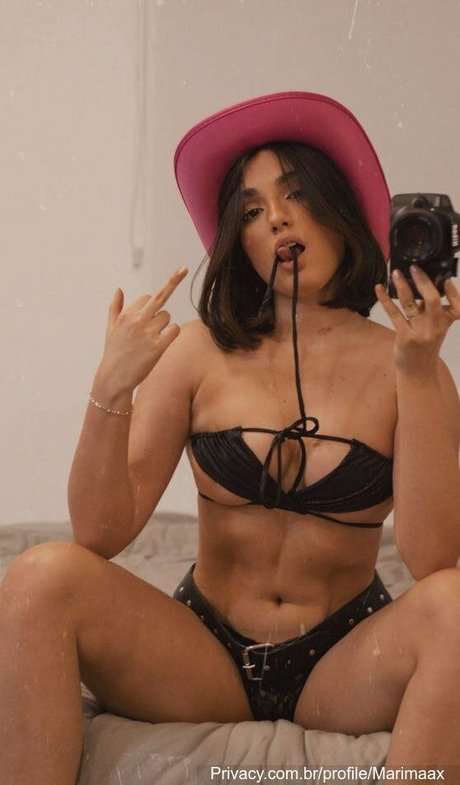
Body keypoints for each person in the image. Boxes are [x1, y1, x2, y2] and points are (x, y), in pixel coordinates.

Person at [1, 91, 460, 785]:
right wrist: (112, 389)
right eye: (250, 211)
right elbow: (98, 532)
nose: (275, 217)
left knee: (455, 605)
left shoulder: (408, 364)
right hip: (204, 654)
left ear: (337, 209)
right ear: (238, 242)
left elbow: (432, 558)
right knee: (40, 575)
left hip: (343, 666)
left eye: (295, 194)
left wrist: (419, 372)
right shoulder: (196, 353)